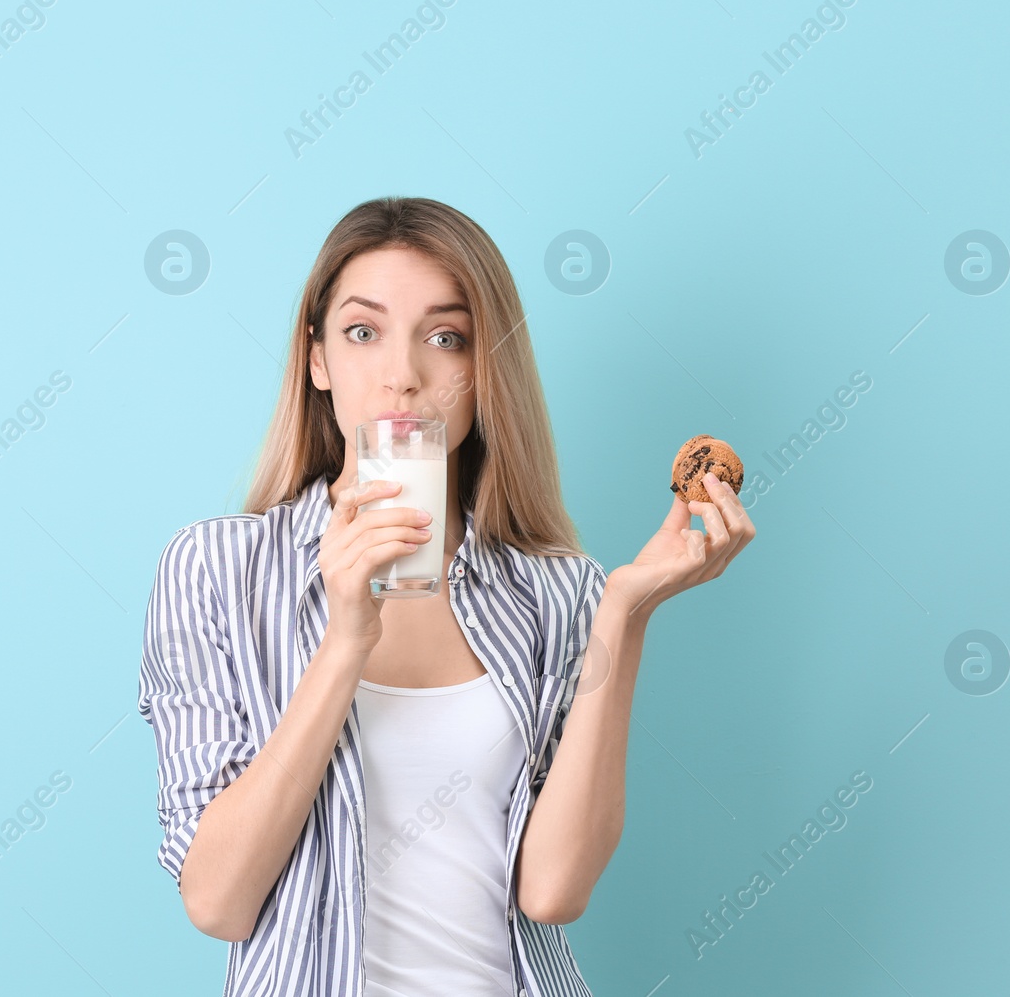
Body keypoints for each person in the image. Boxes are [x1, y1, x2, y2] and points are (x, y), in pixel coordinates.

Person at [137, 196, 755, 996]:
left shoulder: (560, 590)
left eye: (446, 337)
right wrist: (346, 640)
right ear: (317, 358)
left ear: (484, 366)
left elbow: (553, 891)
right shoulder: (215, 570)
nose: (404, 375)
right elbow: (218, 899)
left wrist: (623, 613)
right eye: (363, 331)